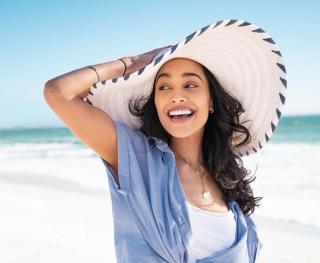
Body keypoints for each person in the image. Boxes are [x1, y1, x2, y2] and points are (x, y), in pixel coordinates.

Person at [44, 19, 287, 262]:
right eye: (164, 87)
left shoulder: (227, 179)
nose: (176, 96)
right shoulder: (136, 158)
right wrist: (130, 63)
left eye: (190, 85)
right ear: (156, 103)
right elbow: (59, 93)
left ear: (211, 100)